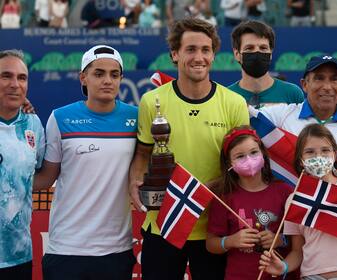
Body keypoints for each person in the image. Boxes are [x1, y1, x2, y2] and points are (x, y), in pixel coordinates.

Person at [129, 18, 249, 280]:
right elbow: (143, 153)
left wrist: (200, 195)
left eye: (206, 50)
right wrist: (136, 179)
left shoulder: (234, 104)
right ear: (175, 54)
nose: (199, 57)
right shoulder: (152, 101)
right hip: (164, 225)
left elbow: (241, 167)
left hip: (214, 231)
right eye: (191, 49)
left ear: (214, 55)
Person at [33, 45, 137, 280]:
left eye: (114, 74)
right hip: (66, 249)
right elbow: (47, 177)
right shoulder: (59, 117)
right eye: (98, 74)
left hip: (116, 250)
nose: (107, 80)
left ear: (121, 78)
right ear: (83, 78)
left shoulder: (137, 117)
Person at [259, 123, 337, 279]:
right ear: (300, 160)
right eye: (310, 152)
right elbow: (297, 251)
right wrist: (283, 266)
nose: (318, 157)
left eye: (325, 150)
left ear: (335, 154)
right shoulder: (295, 200)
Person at [260, 54, 337, 174]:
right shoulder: (281, 116)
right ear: (304, 84)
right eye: (319, 78)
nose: (327, 87)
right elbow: (248, 117)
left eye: (334, 79)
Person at [206, 126, 292, 279]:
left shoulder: (284, 191)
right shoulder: (224, 197)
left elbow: (298, 240)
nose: (249, 160)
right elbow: (211, 244)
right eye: (240, 156)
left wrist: (280, 240)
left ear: (263, 154)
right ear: (229, 163)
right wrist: (230, 241)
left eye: (254, 152)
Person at [0, 49, 45, 280]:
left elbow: (41, 175)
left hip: (19, 256)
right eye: (6, 76)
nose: (14, 84)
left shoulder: (34, 124)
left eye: (21, 78)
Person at [229, 20, 304, 108]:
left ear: (271, 53)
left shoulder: (292, 94)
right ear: (237, 54)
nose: (257, 52)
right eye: (249, 48)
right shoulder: (226, 97)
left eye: (263, 48)